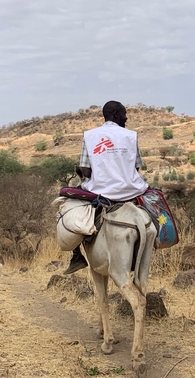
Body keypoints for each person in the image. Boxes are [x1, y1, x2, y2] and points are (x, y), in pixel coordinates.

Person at [64, 100, 149, 274]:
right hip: (130, 190)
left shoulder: (90, 135)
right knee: (155, 202)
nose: (126, 118)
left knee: (70, 206)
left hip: (100, 192)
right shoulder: (130, 135)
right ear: (116, 114)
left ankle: (77, 255)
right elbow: (137, 167)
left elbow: (86, 172)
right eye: (124, 114)